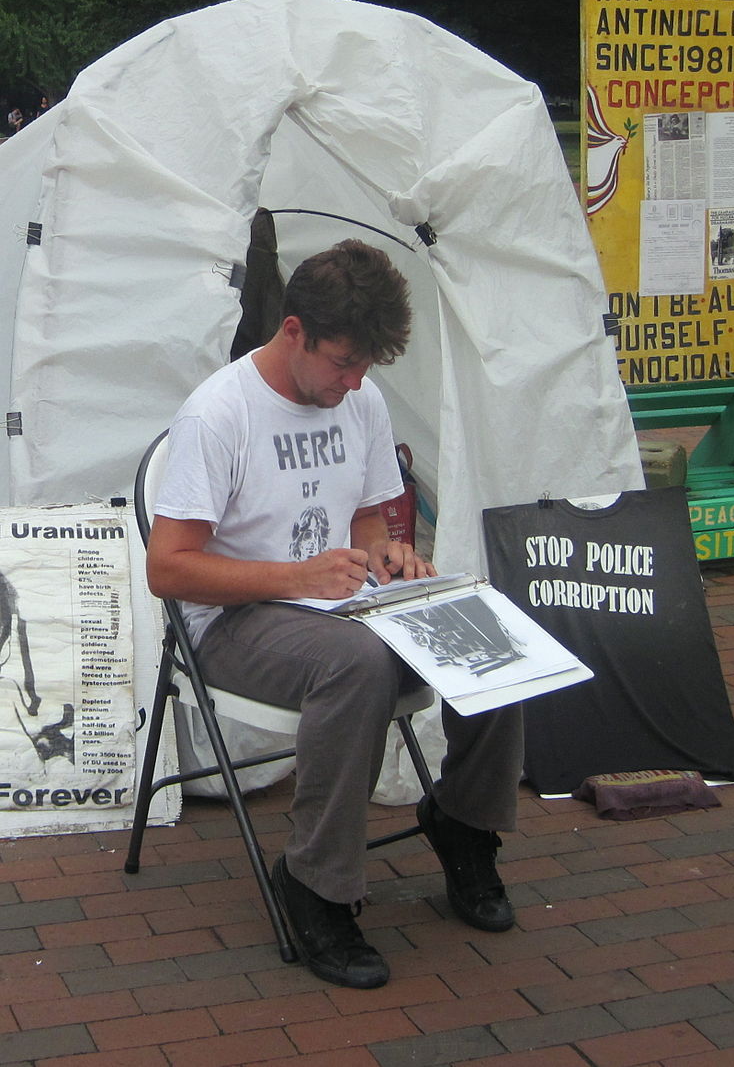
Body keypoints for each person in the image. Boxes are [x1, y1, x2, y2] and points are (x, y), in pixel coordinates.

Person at [147, 239, 523, 989]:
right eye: (343, 364)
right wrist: (298, 575)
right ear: (294, 332)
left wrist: (388, 555)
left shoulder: (361, 399)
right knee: (359, 665)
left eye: (365, 368)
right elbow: (168, 569)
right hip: (232, 620)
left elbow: (366, 521)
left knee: (486, 627)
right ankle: (314, 883)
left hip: (339, 604)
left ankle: (464, 824)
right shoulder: (219, 414)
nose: (354, 383)